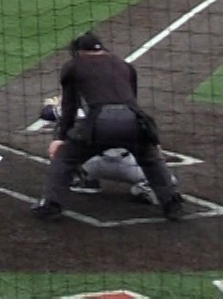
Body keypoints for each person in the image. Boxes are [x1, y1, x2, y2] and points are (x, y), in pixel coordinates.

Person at [32, 32, 185, 222]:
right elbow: (133, 103)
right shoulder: (125, 66)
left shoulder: (73, 67)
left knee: (65, 157)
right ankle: (172, 204)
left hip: (100, 122)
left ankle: (51, 205)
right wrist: (153, 139)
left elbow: (69, 108)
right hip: (133, 121)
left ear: (79, 51)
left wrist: (60, 138)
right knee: (151, 159)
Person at [39, 97, 161, 204]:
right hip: (129, 166)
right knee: (164, 180)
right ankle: (145, 186)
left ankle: (82, 178)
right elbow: (153, 143)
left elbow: (47, 113)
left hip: (91, 164)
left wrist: (55, 105)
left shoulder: (81, 104)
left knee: (68, 138)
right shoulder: (129, 109)